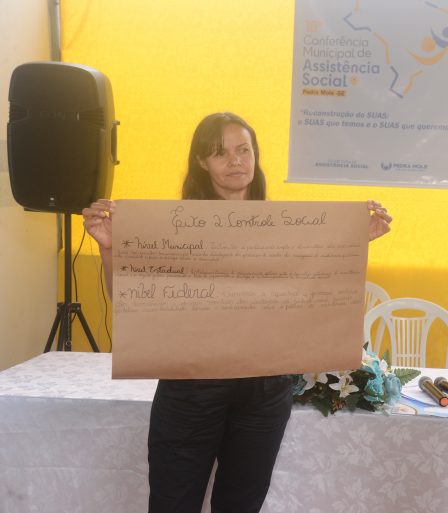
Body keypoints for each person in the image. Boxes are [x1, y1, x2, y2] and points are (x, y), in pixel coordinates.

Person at [82, 112, 392, 513]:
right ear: (201, 161)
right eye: (220, 152)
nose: (235, 161)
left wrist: (355, 239)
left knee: (242, 505)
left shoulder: (288, 228)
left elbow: (315, 288)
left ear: (256, 155)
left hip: (265, 390)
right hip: (190, 387)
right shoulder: (168, 229)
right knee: (173, 503)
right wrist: (110, 247)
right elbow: (129, 298)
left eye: (243, 150)